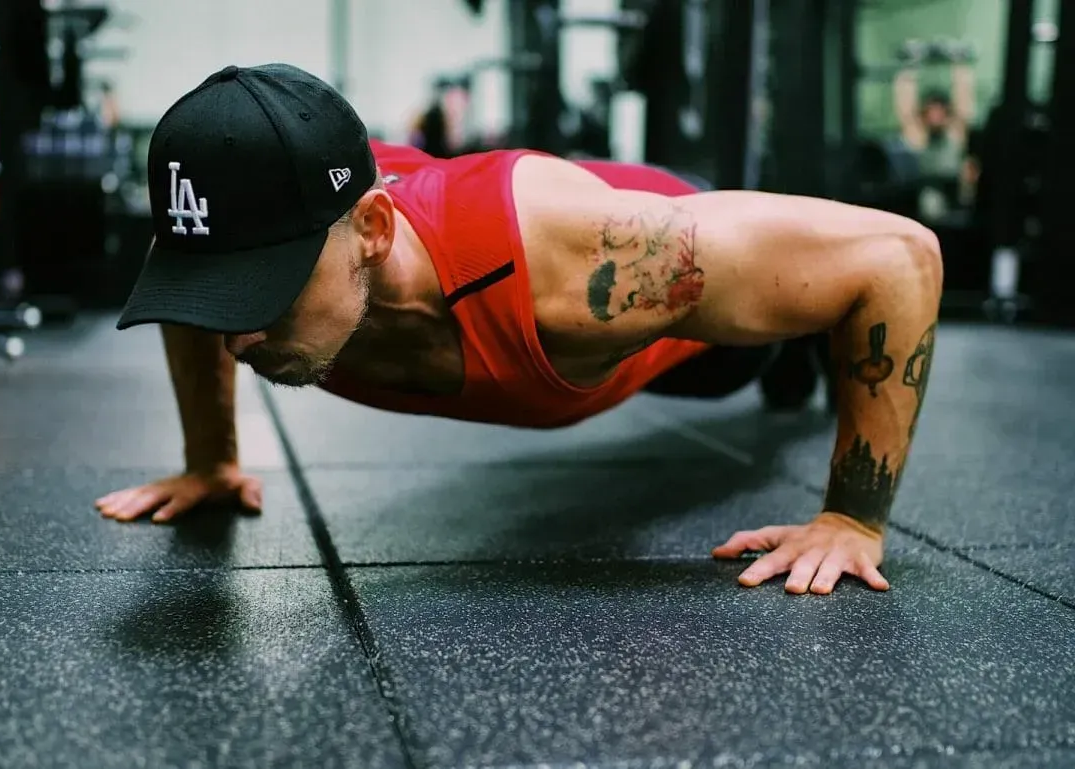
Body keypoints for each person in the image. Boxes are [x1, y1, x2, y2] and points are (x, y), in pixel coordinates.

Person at [96, 64, 942, 596]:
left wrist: (853, 521)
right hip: (559, 322)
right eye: (219, 295)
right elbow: (196, 288)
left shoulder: (581, 270)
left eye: (264, 294)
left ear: (375, 231)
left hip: (670, 291)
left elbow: (899, 257)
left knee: (754, 353)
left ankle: (799, 352)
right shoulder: (261, 240)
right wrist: (212, 457)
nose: (237, 336)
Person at [892, 49, 981, 216]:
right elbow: (904, 110)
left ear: (947, 112)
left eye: (939, 111)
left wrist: (960, 66)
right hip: (926, 194)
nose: (935, 116)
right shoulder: (918, 135)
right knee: (930, 201)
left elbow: (964, 107)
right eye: (931, 111)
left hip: (957, 195)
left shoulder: (955, 133)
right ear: (924, 113)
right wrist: (908, 68)